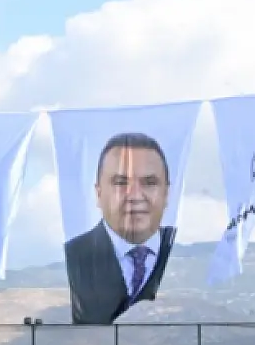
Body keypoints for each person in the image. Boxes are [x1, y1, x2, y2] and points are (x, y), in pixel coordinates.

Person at [64, 133, 175, 324]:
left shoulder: (181, 253)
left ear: (166, 193)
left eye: (149, 183)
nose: (134, 196)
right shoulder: (73, 254)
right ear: (98, 194)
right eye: (120, 183)